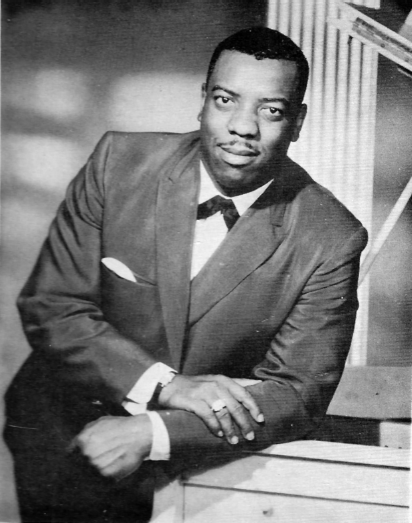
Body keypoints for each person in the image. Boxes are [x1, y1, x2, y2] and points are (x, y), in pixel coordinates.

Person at [4, 27, 368, 523]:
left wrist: (155, 431)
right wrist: (166, 385)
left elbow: (297, 393)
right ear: (202, 101)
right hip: (63, 434)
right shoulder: (118, 163)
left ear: (298, 122)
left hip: (198, 456)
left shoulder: (331, 235)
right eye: (225, 100)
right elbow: (53, 307)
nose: (243, 126)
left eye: (271, 110)